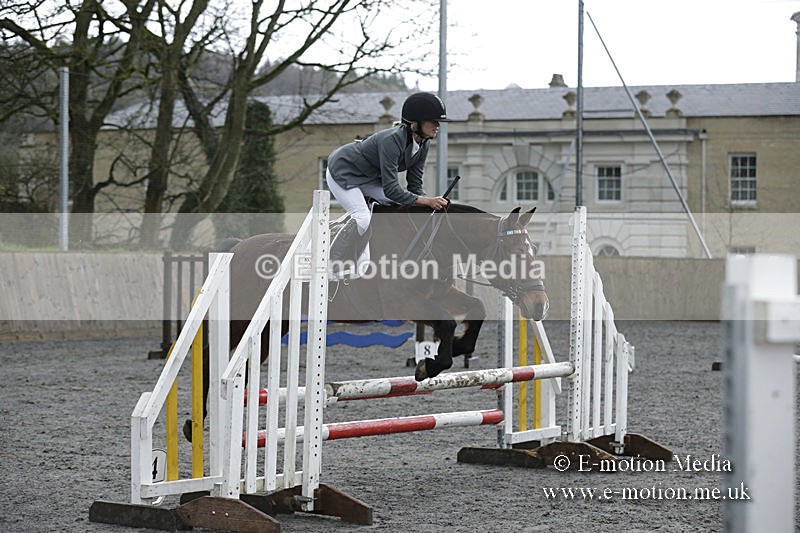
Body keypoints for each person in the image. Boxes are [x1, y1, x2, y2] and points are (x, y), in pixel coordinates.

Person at [325, 92, 450, 265]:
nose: (437, 125)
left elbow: (415, 185)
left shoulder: (424, 143)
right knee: (362, 218)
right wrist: (427, 201)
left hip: (368, 177)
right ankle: (330, 263)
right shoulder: (392, 140)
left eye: (439, 122)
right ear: (415, 122)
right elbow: (392, 189)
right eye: (433, 121)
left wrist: (428, 207)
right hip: (344, 171)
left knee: (396, 206)